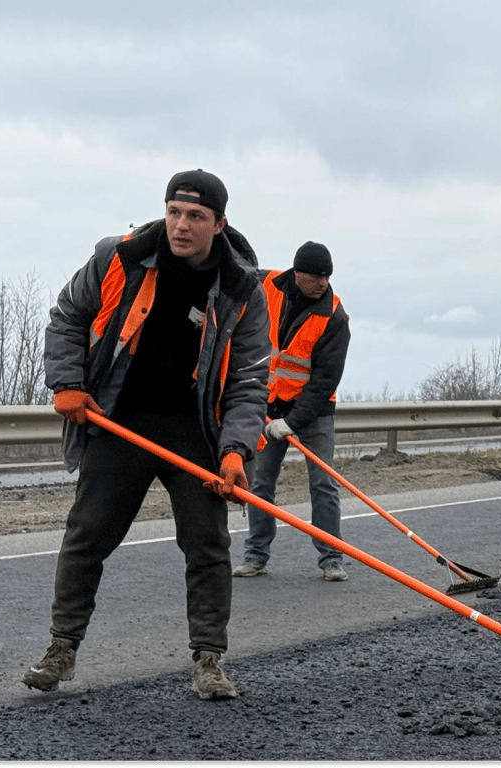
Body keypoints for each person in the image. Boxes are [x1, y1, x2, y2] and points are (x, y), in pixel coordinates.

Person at [25, 169, 271, 701]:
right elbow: (67, 318)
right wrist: (67, 383)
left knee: (208, 545)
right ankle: (61, 648)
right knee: (87, 537)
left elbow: (250, 382)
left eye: (196, 216)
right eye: (174, 212)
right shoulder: (120, 257)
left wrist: (234, 452)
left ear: (219, 224)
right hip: (120, 419)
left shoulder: (243, 289)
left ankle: (209, 660)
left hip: (195, 431)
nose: (181, 225)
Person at [233, 241, 351, 582]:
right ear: (298, 273)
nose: (323, 283)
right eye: (316, 276)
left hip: (314, 413)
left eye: (327, 276)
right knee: (259, 484)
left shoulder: (334, 317)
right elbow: (233, 275)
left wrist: (293, 422)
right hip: (268, 408)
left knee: (323, 483)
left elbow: (324, 382)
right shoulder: (266, 285)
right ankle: (255, 556)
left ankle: (332, 559)